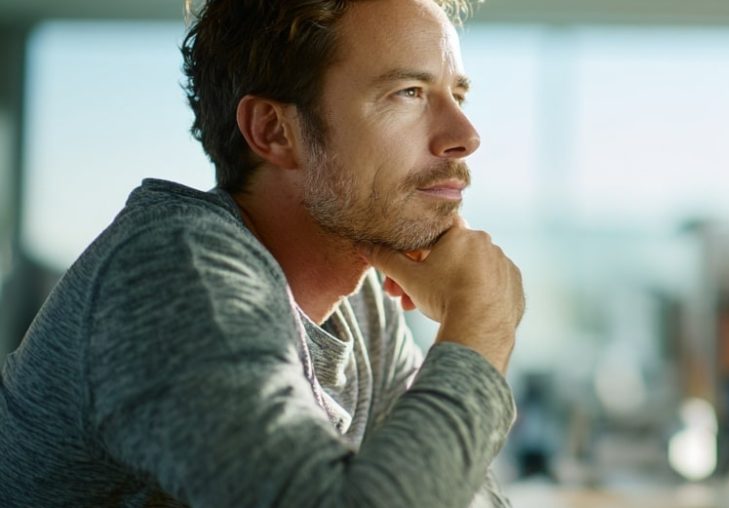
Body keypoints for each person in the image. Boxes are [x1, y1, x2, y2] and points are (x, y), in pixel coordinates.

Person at [0, 0, 525, 506]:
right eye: (408, 92)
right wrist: (480, 326)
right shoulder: (177, 272)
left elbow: (452, 491)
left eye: (458, 95)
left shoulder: (365, 309)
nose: (465, 135)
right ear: (274, 131)